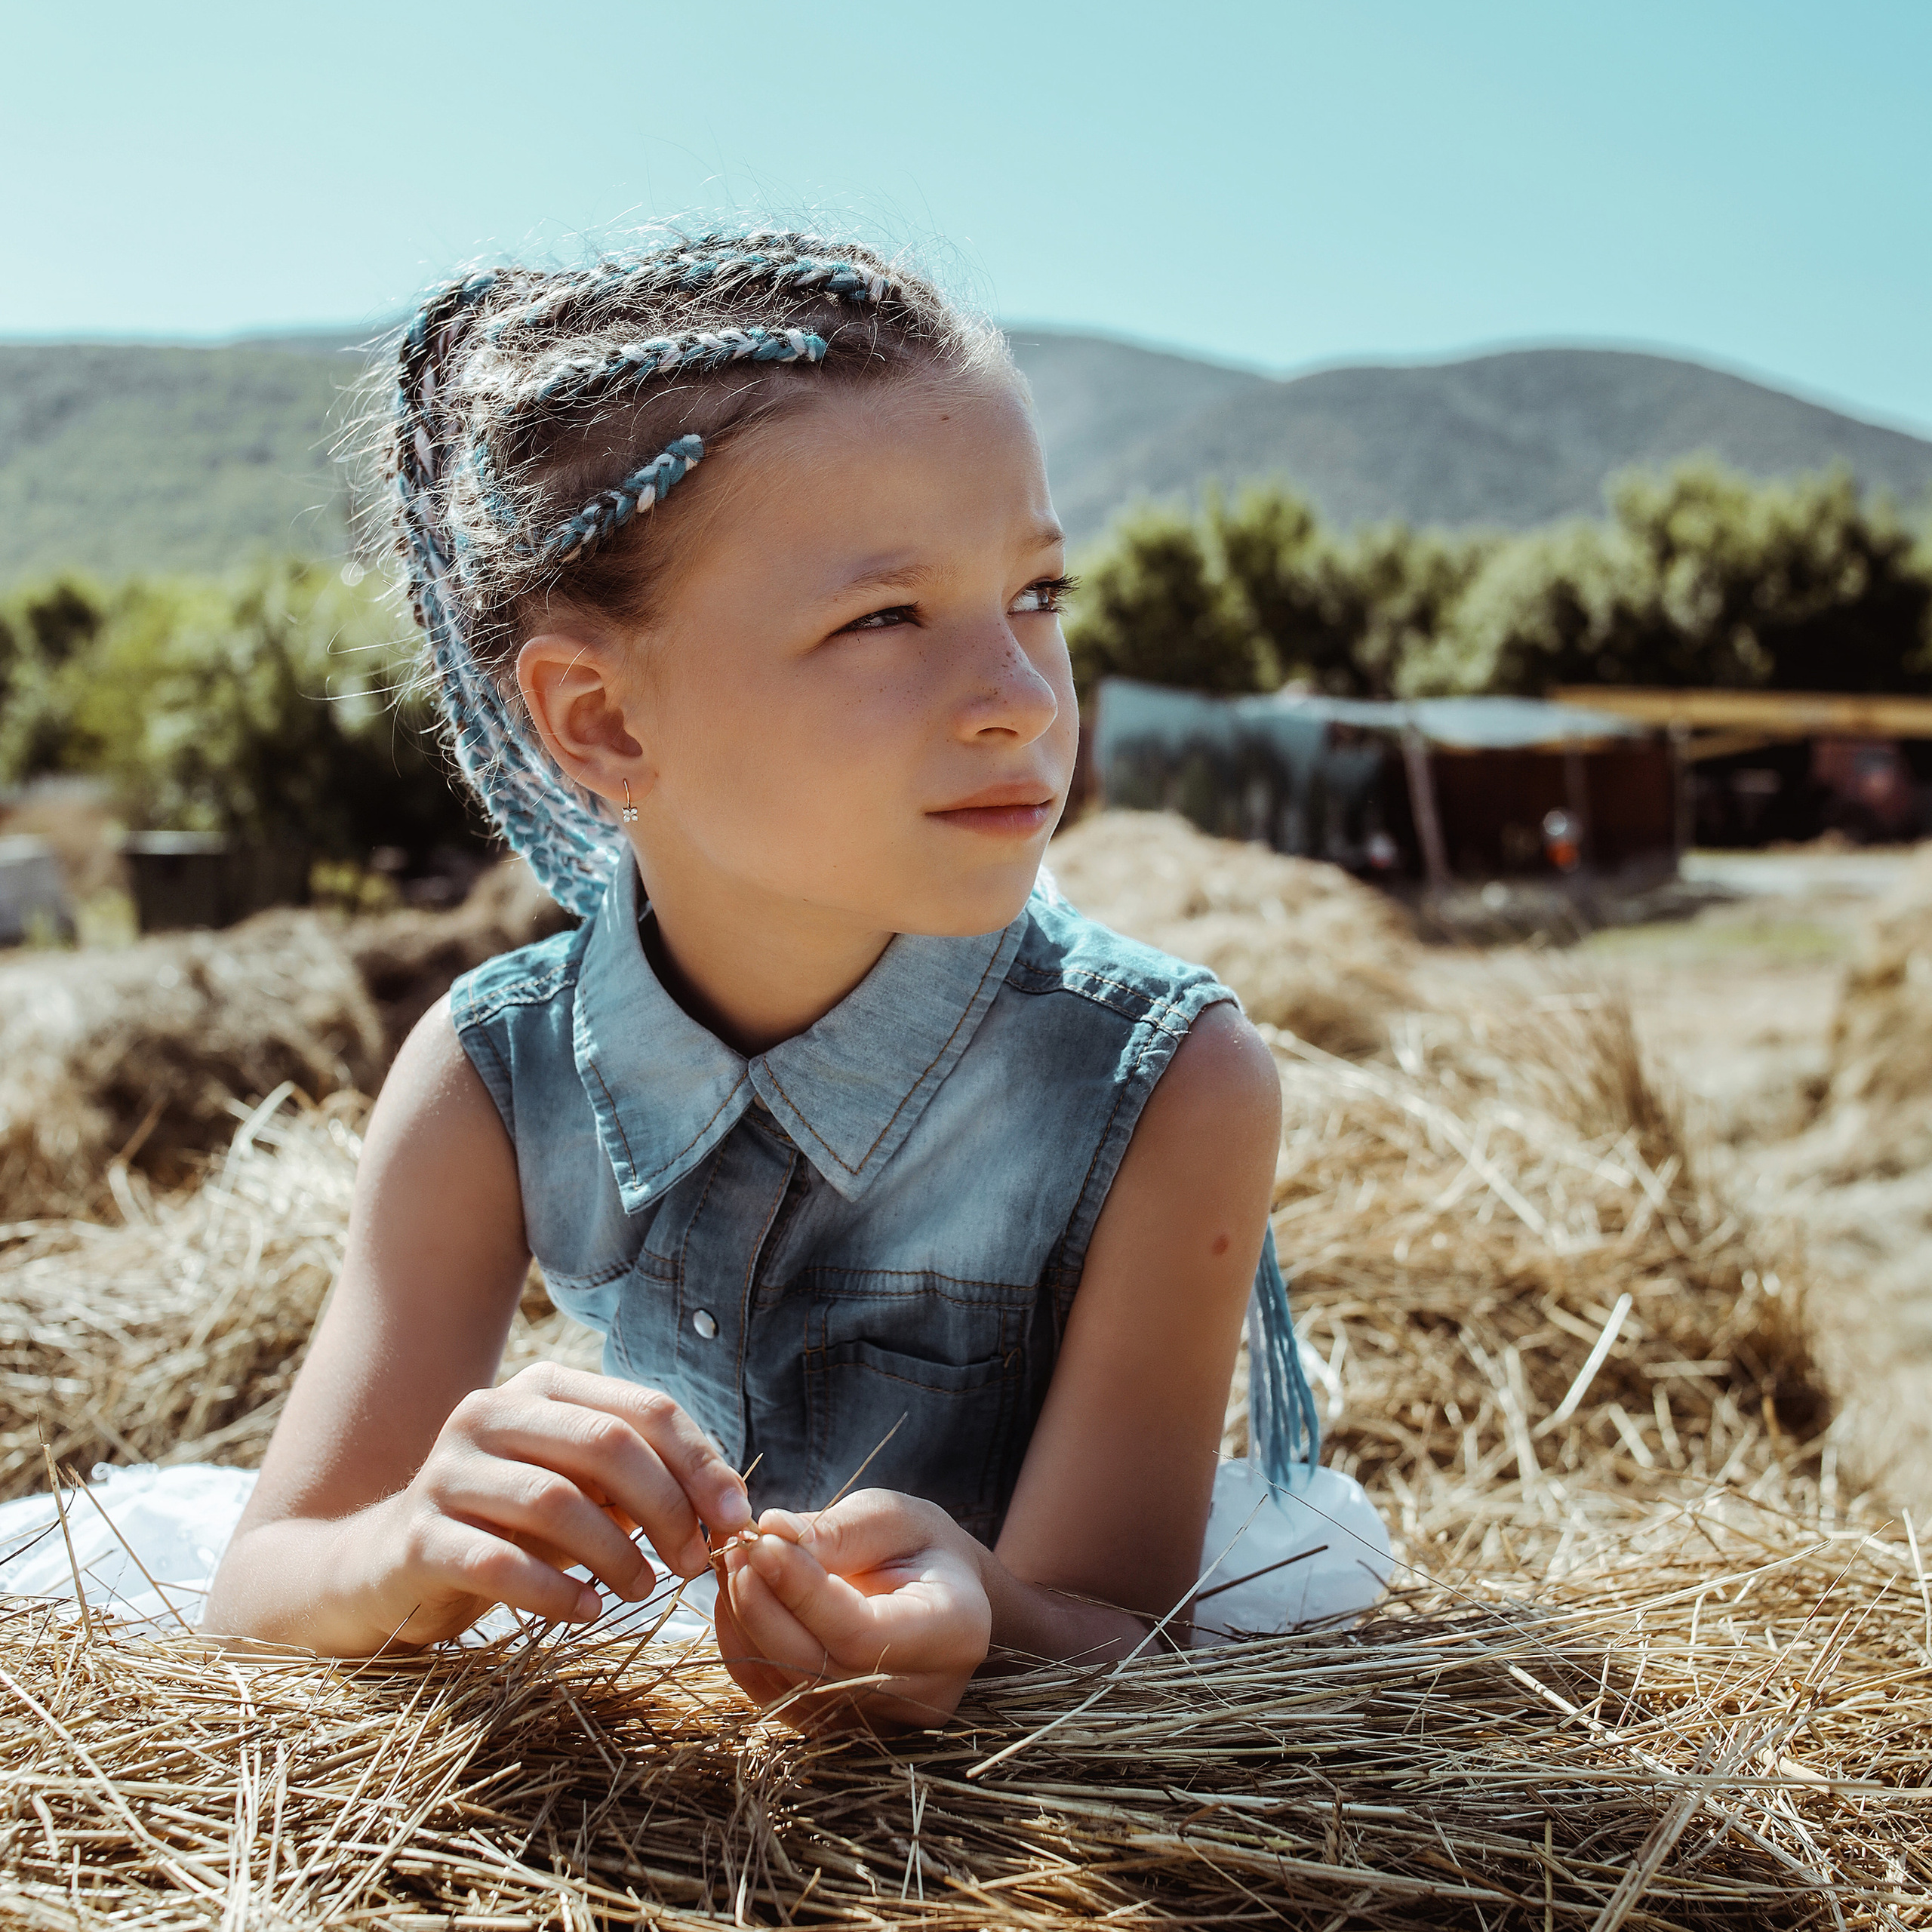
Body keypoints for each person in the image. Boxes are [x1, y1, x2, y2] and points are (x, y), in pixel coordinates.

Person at [202, 233, 1383, 1728]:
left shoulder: (1164, 1081)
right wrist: (413, 1542)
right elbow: (264, 1585)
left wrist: (987, 1614)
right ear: (603, 719)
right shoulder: (487, 1073)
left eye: (1035, 591)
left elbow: (1116, 1629)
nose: (1020, 699)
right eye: (885, 618)